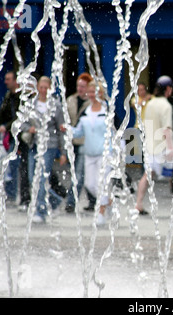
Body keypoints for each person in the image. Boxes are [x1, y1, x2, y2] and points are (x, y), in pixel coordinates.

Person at [21, 76, 67, 223]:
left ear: (50, 88)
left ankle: (40, 212)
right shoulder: (30, 104)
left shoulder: (56, 105)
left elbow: (61, 129)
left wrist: (64, 152)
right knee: (31, 178)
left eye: (46, 88)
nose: (43, 90)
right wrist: (30, 128)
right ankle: (54, 201)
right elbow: (22, 124)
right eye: (41, 87)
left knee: (41, 178)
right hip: (34, 145)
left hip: (50, 145)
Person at [70, 80, 112, 226]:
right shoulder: (85, 112)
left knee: (101, 184)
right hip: (89, 153)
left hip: (104, 154)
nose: (92, 95)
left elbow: (116, 132)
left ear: (100, 93)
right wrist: (68, 130)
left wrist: (116, 152)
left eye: (95, 92)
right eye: (90, 92)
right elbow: (79, 132)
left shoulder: (107, 111)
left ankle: (101, 213)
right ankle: (109, 201)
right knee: (89, 184)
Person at [132, 76, 173, 215]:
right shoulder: (166, 106)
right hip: (162, 147)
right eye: (171, 88)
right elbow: (167, 129)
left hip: (150, 146)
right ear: (167, 89)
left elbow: (145, 124)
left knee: (147, 175)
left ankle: (138, 203)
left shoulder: (150, 103)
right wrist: (170, 148)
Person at [0, 70, 30, 209]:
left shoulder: (22, 96)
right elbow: (2, 113)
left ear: (16, 81)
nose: (5, 81)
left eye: (8, 79)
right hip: (13, 137)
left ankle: (24, 198)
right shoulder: (9, 96)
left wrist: (6, 127)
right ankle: (12, 194)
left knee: (23, 168)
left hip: (23, 137)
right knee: (11, 165)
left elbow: (20, 117)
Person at [64, 72, 97, 213]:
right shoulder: (71, 100)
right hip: (72, 142)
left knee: (79, 174)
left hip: (85, 142)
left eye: (83, 86)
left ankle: (71, 202)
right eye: (78, 86)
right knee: (81, 173)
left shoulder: (92, 103)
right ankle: (94, 201)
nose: (80, 89)